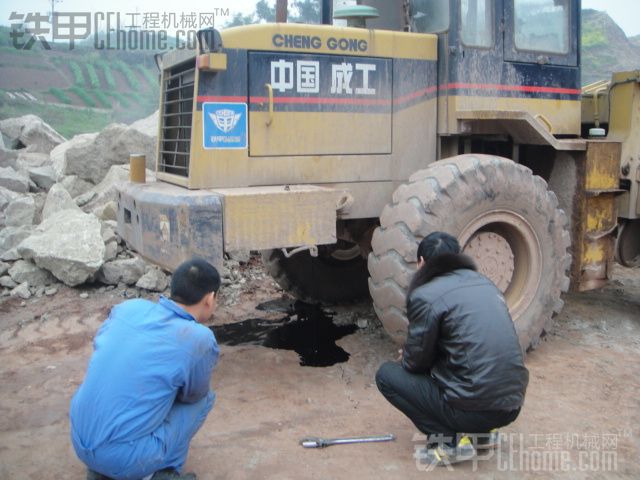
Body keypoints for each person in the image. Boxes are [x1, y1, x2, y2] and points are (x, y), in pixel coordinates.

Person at [375, 232, 529, 467]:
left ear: (422, 263)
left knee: (387, 376)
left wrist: (406, 355)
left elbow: (416, 363)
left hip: (474, 408)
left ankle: (448, 443)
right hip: (511, 405)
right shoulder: (486, 284)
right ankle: (483, 435)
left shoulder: (425, 295)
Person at [70, 257, 221, 480]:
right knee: (203, 399)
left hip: (79, 440)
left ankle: (104, 468)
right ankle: (165, 473)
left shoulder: (128, 308)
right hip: (123, 459)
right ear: (209, 299)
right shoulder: (199, 338)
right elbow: (193, 395)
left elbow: (100, 347)